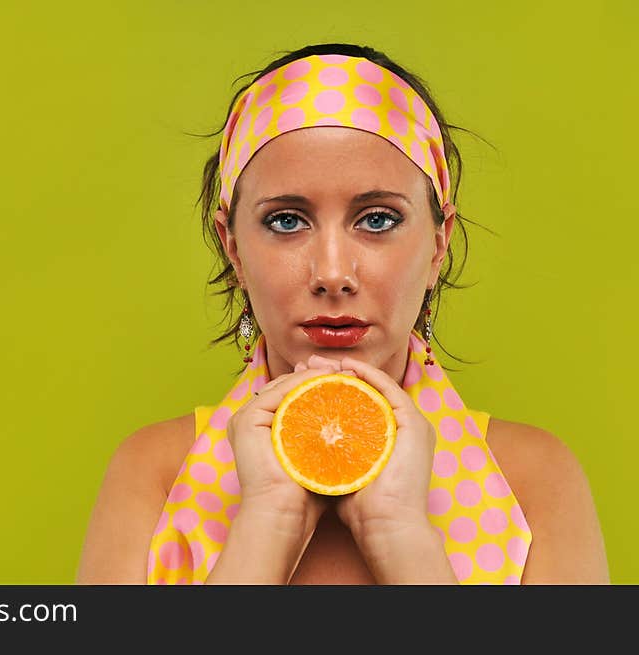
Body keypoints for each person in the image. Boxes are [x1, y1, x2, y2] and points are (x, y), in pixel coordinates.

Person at [76, 42, 609, 584]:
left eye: (377, 220)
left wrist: (395, 530)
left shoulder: (533, 482)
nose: (332, 272)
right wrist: (269, 520)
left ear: (437, 244)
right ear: (232, 246)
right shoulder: (156, 474)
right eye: (286, 221)